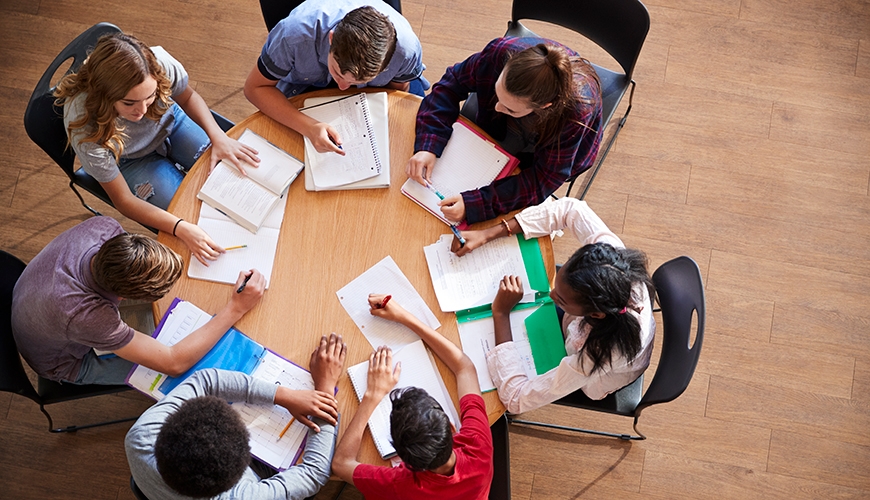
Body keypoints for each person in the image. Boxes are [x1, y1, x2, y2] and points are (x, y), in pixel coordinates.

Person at [54, 32, 260, 266]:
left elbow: (188, 96)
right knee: (190, 217)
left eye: (150, 96)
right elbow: (122, 200)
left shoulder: (161, 62)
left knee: (233, 179)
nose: (141, 110)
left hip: (172, 123)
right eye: (128, 103)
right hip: (129, 158)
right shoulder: (83, 124)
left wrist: (218, 136)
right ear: (104, 97)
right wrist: (179, 227)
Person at [451, 197, 656, 414]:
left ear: (595, 314)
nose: (550, 294)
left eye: (561, 299)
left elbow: (515, 399)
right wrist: (488, 233)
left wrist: (501, 314)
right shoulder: (613, 263)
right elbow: (571, 209)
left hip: (598, 376)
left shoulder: (599, 354)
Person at [10, 216, 265, 385]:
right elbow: (173, 363)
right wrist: (235, 309)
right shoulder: (86, 314)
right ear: (126, 297)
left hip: (34, 299)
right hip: (64, 362)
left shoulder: (104, 228)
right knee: (190, 375)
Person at [406, 37, 603, 225]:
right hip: (498, 132)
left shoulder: (575, 113)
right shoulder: (498, 53)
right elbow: (451, 84)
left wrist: (476, 204)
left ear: (545, 106)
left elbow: (543, 180)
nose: (498, 108)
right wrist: (428, 145)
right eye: (497, 91)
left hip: (556, 145)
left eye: (510, 109)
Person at [126, 333, 347, 499]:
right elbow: (313, 473)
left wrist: (282, 395)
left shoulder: (142, 435)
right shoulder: (239, 497)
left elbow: (205, 381)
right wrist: (325, 391)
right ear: (240, 471)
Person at [332, 295, 493, 499]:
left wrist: (372, 396)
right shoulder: (478, 448)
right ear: (451, 428)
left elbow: (341, 464)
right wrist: (406, 318)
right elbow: (465, 367)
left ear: (402, 459)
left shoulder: (400, 485)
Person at [244, 0, 425, 157]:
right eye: (337, 73)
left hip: (376, 91)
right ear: (331, 38)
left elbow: (398, 91)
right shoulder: (293, 36)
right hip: (303, 85)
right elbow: (254, 89)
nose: (343, 87)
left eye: (356, 82)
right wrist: (309, 127)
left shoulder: (406, 51)